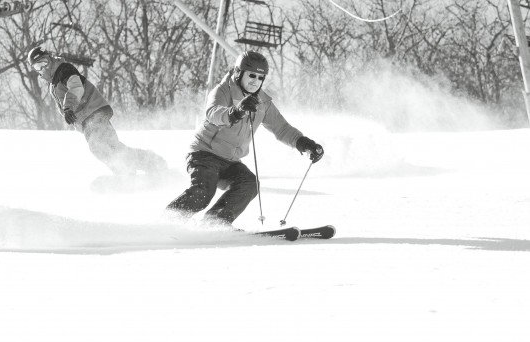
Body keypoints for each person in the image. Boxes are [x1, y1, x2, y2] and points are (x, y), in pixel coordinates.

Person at [166, 50, 324, 226]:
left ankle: (214, 223)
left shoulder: (263, 102)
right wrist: (237, 111)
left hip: (230, 161)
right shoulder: (223, 90)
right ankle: (167, 222)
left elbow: (281, 128)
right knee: (203, 193)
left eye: (260, 77)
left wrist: (303, 143)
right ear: (238, 73)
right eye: (251, 75)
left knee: (248, 184)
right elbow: (213, 113)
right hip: (204, 154)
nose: (255, 81)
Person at [26, 46, 167, 177]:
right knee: (113, 147)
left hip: (93, 112)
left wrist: (68, 107)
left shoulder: (63, 70)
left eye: (44, 62)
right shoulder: (53, 83)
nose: (43, 67)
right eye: (38, 66)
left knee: (97, 145)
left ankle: (125, 171)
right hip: (88, 118)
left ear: (50, 57)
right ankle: (151, 163)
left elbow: (76, 87)